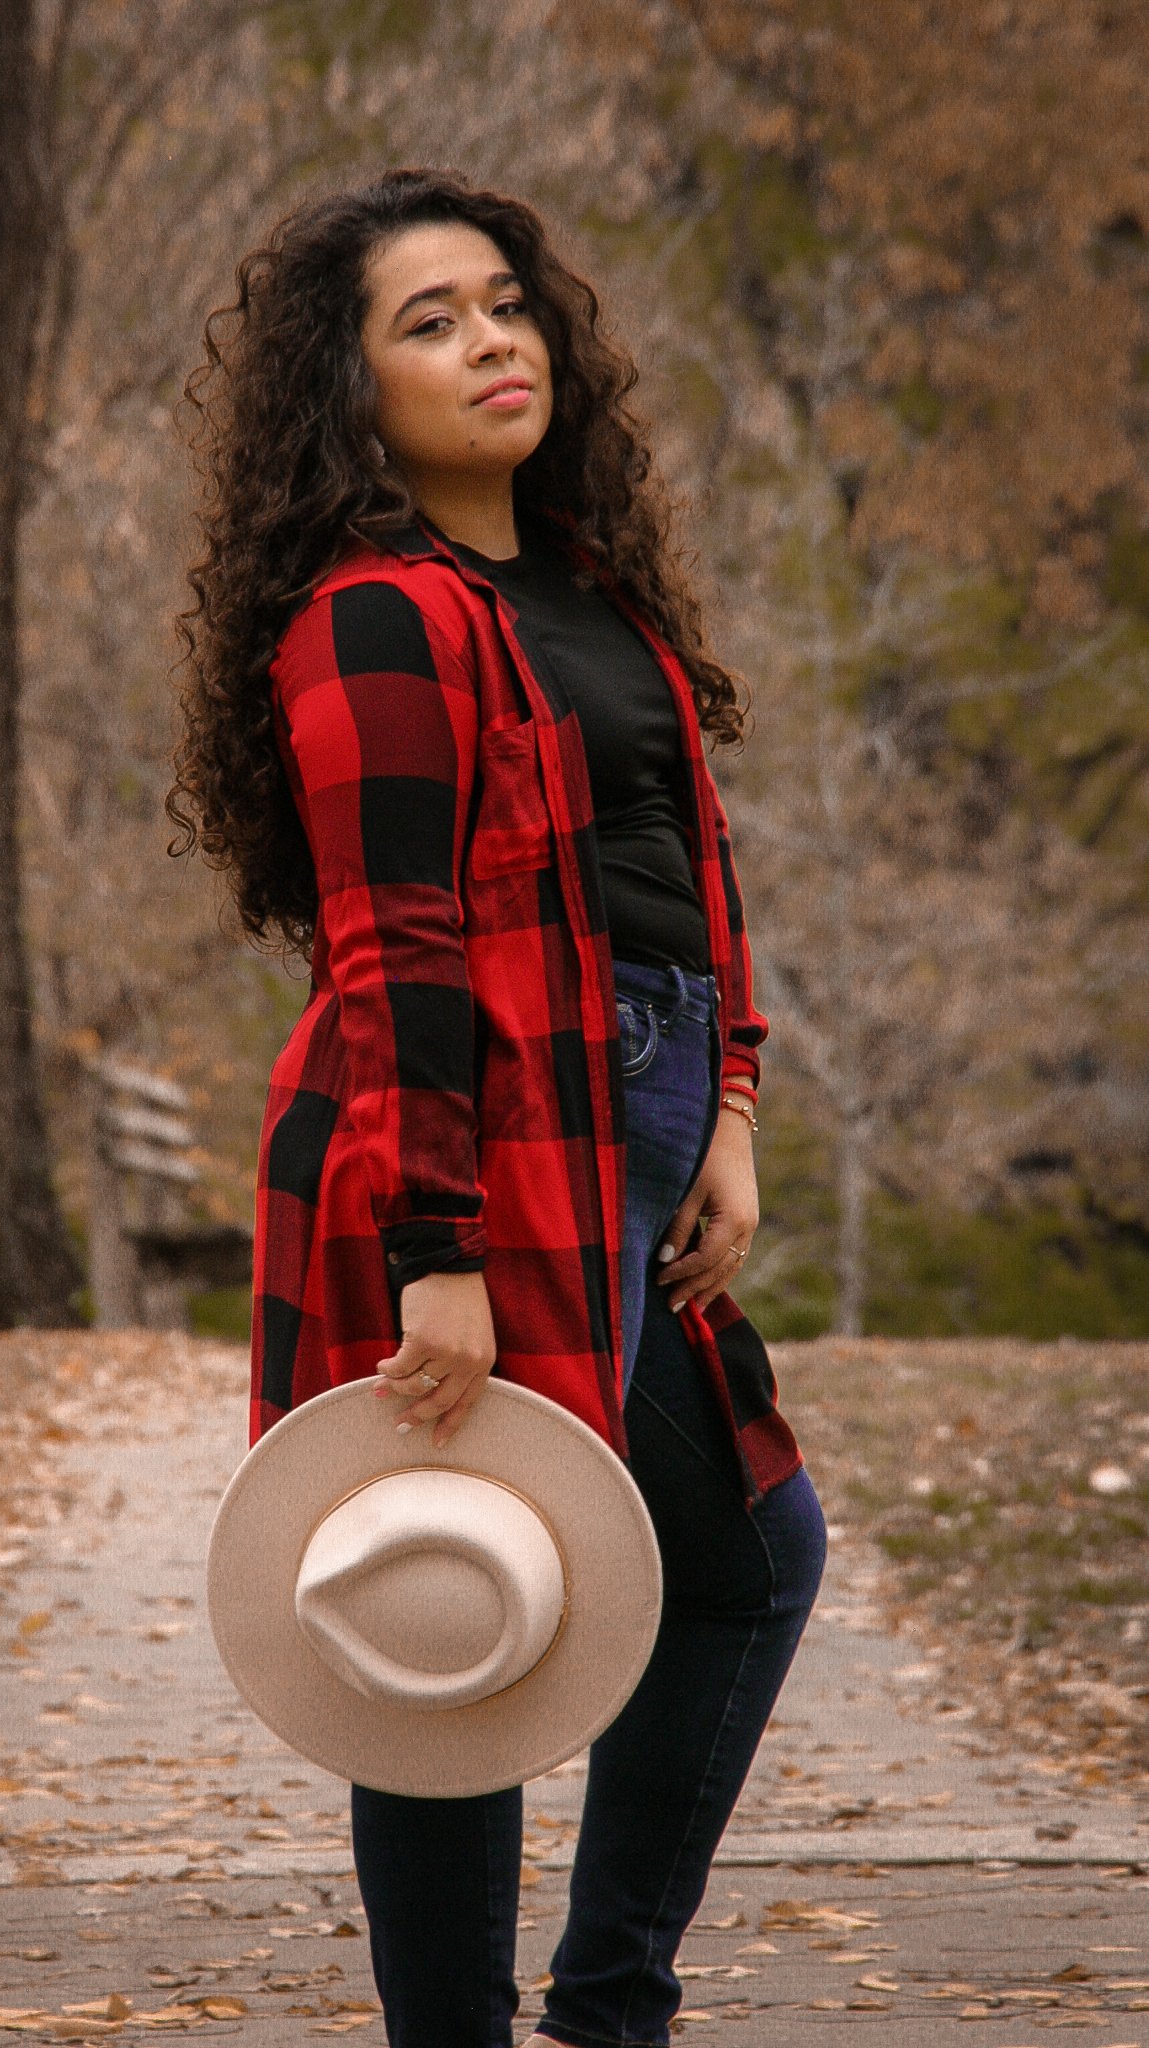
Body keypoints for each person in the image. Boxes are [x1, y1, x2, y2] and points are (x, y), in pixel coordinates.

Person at [168, 164, 828, 2048]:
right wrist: (431, 1246)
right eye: (429, 322)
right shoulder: (373, 618)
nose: (489, 342)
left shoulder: (589, 586)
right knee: (447, 1618)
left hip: (633, 1114)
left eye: (506, 303)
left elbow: (680, 862)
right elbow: (397, 948)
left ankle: (606, 2011)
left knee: (744, 1559)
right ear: (350, 389)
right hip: (475, 1140)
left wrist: (730, 1105)